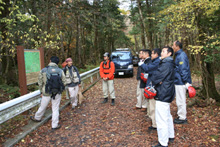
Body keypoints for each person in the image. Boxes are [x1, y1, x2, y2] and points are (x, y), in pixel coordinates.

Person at [30, 56, 66, 130]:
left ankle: (37, 118)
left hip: (46, 92)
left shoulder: (44, 70)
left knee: (42, 106)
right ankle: (54, 125)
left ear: (50, 61)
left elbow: (40, 82)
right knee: (55, 108)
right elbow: (64, 82)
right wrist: (60, 89)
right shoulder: (60, 70)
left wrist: (41, 91)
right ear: (57, 63)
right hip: (57, 92)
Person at [151, 47, 175, 147]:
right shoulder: (168, 63)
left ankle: (163, 142)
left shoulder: (166, 64)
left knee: (161, 119)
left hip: (163, 92)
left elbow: (156, 76)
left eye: (163, 51)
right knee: (167, 115)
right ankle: (170, 135)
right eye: (161, 51)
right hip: (167, 91)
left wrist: (156, 80)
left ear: (169, 53)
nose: (161, 53)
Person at [140, 48, 161, 131]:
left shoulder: (157, 62)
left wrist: (142, 64)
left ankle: (155, 124)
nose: (151, 55)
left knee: (153, 106)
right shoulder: (155, 61)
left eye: (152, 53)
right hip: (151, 84)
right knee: (151, 105)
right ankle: (153, 121)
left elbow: (148, 68)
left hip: (153, 86)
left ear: (156, 54)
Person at [172, 41, 192, 124]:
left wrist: (185, 81)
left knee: (181, 100)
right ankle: (180, 115)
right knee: (179, 100)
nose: (172, 47)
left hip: (181, 82)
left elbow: (183, 69)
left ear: (177, 46)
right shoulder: (178, 55)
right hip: (178, 81)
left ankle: (182, 118)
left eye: (173, 45)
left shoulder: (181, 56)